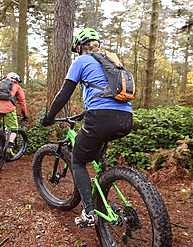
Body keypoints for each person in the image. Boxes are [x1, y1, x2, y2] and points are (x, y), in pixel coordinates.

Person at [40, 28, 133, 227]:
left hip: (101, 117)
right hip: (126, 118)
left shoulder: (81, 61)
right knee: (97, 153)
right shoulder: (111, 61)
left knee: (78, 161)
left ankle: (89, 212)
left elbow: (63, 95)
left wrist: (49, 117)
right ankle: (104, 184)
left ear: (80, 47)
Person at [0, 72, 28, 156]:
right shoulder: (17, 86)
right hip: (9, 109)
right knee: (14, 129)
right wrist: (25, 115)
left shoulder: (1, 84)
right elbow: (22, 102)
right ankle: (9, 148)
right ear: (16, 80)